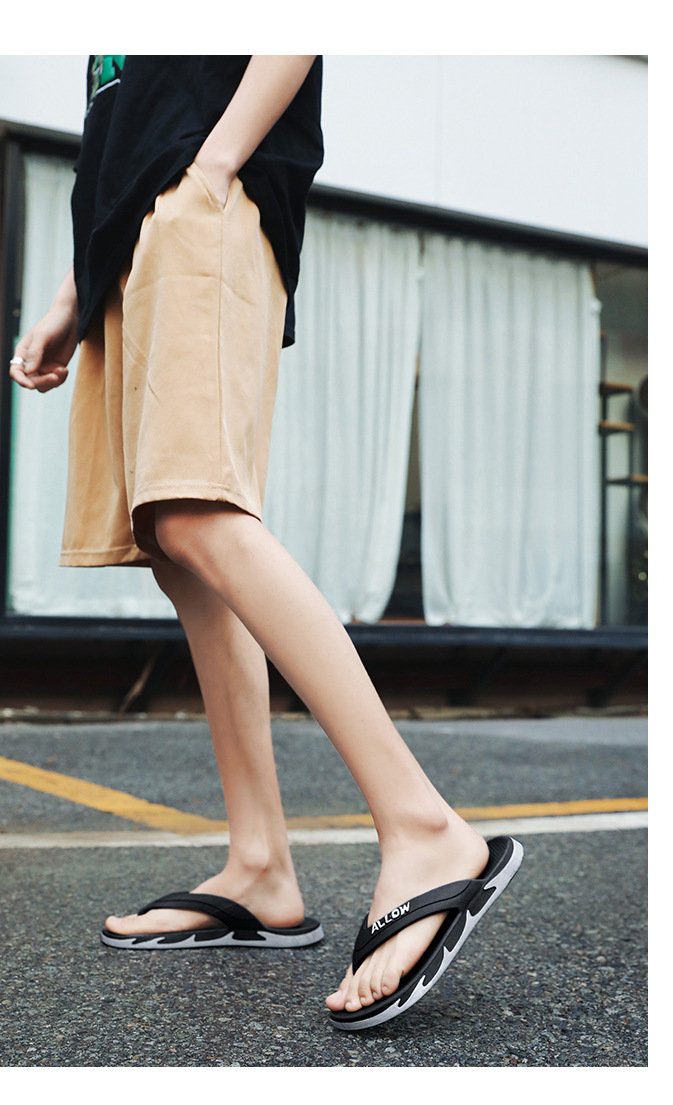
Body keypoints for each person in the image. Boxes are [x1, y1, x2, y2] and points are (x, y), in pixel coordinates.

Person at [9, 54, 523, 1031]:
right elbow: (120, 104)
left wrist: (213, 168)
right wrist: (78, 288)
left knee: (195, 510)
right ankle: (260, 866)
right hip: (131, 228)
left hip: (200, 189)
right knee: (174, 546)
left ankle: (423, 826)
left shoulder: (210, 171)